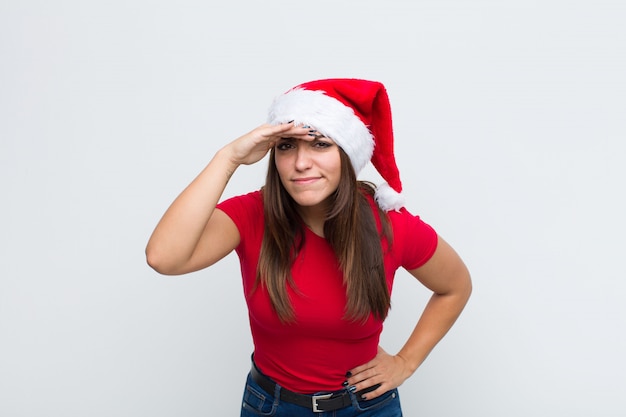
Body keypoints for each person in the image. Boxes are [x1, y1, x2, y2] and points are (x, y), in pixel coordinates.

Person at [146, 78, 472, 416]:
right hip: (271, 407)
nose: (301, 163)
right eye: (286, 146)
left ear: (347, 153)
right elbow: (163, 257)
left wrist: (405, 362)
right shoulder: (251, 215)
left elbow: (456, 287)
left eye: (320, 144)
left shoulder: (391, 225)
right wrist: (228, 158)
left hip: (366, 408)